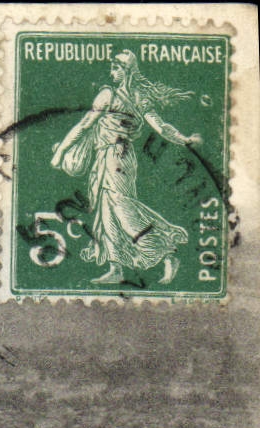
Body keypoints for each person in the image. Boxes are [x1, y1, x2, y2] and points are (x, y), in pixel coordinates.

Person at [50, 51, 202, 284]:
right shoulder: (139, 96)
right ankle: (116, 268)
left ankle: (165, 252)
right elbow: (161, 127)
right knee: (106, 211)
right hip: (116, 157)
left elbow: (84, 125)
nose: (112, 73)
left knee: (121, 209)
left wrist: (61, 152)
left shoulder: (108, 95)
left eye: (116, 68)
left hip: (115, 157)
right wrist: (184, 138)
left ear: (126, 70)